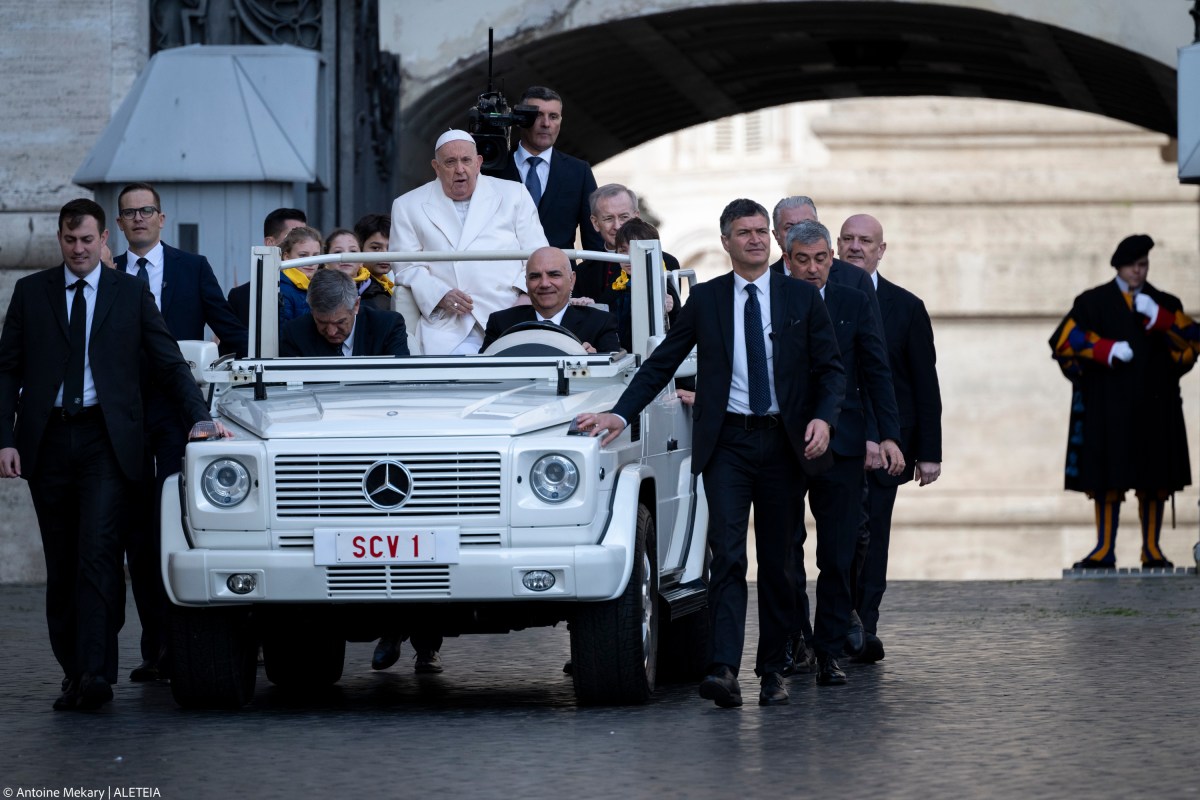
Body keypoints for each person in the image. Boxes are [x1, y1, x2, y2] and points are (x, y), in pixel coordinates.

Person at [576, 199, 845, 708]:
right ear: (726, 241)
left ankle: (772, 670)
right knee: (726, 554)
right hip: (728, 444)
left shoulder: (801, 299)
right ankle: (723, 669)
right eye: (744, 232)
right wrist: (619, 413)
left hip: (784, 445)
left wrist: (822, 418)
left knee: (780, 563)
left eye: (762, 231)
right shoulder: (709, 301)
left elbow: (832, 370)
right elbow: (661, 364)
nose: (756, 240)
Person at [0, 199, 226, 711]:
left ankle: (97, 673)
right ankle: (74, 670)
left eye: (87, 240)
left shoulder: (130, 293)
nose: (78, 250)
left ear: (105, 239)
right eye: (69, 240)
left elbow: (169, 362)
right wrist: (6, 438)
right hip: (48, 442)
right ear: (59, 240)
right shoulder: (31, 293)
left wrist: (200, 416)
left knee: (98, 554)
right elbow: (7, 369)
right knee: (62, 564)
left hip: (107, 441)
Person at [110, 182, 248, 682]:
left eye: (147, 210)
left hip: (179, 420)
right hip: (121, 420)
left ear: (162, 219)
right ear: (120, 224)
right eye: (130, 213)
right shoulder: (109, 275)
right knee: (136, 535)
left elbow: (231, 332)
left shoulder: (193, 268)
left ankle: (184, 641)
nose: (140, 219)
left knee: (173, 526)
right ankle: (155, 648)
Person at [783, 220, 903, 686]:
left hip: (847, 443)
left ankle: (829, 648)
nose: (813, 269)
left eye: (821, 259)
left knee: (838, 552)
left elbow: (877, 371)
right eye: (803, 260)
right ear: (787, 259)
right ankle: (792, 641)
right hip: (786, 443)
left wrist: (887, 435)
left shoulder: (854, 299)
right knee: (784, 553)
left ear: (832, 258)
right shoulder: (770, 299)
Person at [1050, 234, 1198, 570]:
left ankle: (1152, 549)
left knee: (1155, 479)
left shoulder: (1164, 301)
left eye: (1143, 264)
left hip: (1155, 407)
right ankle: (1104, 548)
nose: (1138, 271)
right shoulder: (1092, 302)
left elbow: (1193, 342)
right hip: (1108, 407)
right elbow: (1063, 341)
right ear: (1119, 266)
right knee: (1105, 479)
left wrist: (1162, 318)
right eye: (1133, 265)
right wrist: (1104, 349)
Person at [839, 213, 942, 663]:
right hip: (836, 444)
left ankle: (866, 624)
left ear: (882, 250)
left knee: (874, 537)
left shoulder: (907, 306)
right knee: (839, 538)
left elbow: (924, 383)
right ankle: (836, 624)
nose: (856, 247)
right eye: (849, 239)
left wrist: (929, 453)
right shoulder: (818, 297)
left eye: (866, 240)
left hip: (889, 447)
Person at [389, 129, 548, 354]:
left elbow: (538, 255)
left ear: (479, 162)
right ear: (435, 167)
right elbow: (405, 266)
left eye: (466, 160)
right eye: (450, 162)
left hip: (507, 311)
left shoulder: (514, 194)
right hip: (447, 322)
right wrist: (440, 294)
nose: (460, 169)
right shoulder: (407, 205)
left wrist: (525, 296)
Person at [489, 86, 604, 254]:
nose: (546, 124)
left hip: (558, 276)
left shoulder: (579, 172)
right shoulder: (492, 169)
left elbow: (594, 241)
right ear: (521, 119)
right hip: (503, 275)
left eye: (553, 116)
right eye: (537, 115)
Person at [482, 246, 620, 353]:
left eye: (554, 275)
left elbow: (614, 377)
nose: (544, 284)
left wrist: (595, 362)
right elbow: (483, 373)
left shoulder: (600, 323)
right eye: (535, 276)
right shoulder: (501, 324)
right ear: (526, 283)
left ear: (572, 280)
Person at [574, 184, 682, 302]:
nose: (617, 226)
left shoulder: (664, 261)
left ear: (636, 217)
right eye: (609, 218)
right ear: (595, 223)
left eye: (624, 217)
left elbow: (673, 316)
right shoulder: (583, 272)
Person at [279, 268, 409, 357]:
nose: (331, 332)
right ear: (312, 310)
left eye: (340, 322)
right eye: (321, 322)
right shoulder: (294, 333)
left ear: (356, 305)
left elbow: (401, 382)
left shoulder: (387, 326)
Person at [601, 218, 682, 352]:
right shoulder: (617, 284)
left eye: (636, 250)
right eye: (623, 250)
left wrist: (671, 308)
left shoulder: (662, 282)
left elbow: (678, 324)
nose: (629, 257)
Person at [228, 207, 308, 326]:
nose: (303, 244)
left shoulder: (321, 289)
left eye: (306, 236)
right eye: (294, 237)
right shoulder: (242, 296)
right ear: (270, 243)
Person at [323, 228, 391, 312]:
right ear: (325, 260)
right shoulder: (313, 291)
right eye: (338, 252)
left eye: (353, 251)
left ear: (361, 260)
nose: (346, 257)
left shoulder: (380, 296)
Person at [277, 225, 323, 324]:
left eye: (316, 255)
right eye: (303, 255)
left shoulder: (318, 285)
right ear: (286, 257)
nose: (311, 262)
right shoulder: (281, 289)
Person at [354, 213, 397, 298]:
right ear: (359, 248)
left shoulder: (387, 285)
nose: (385, 255)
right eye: (376, 248)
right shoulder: (354, 287)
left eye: (390, 248)